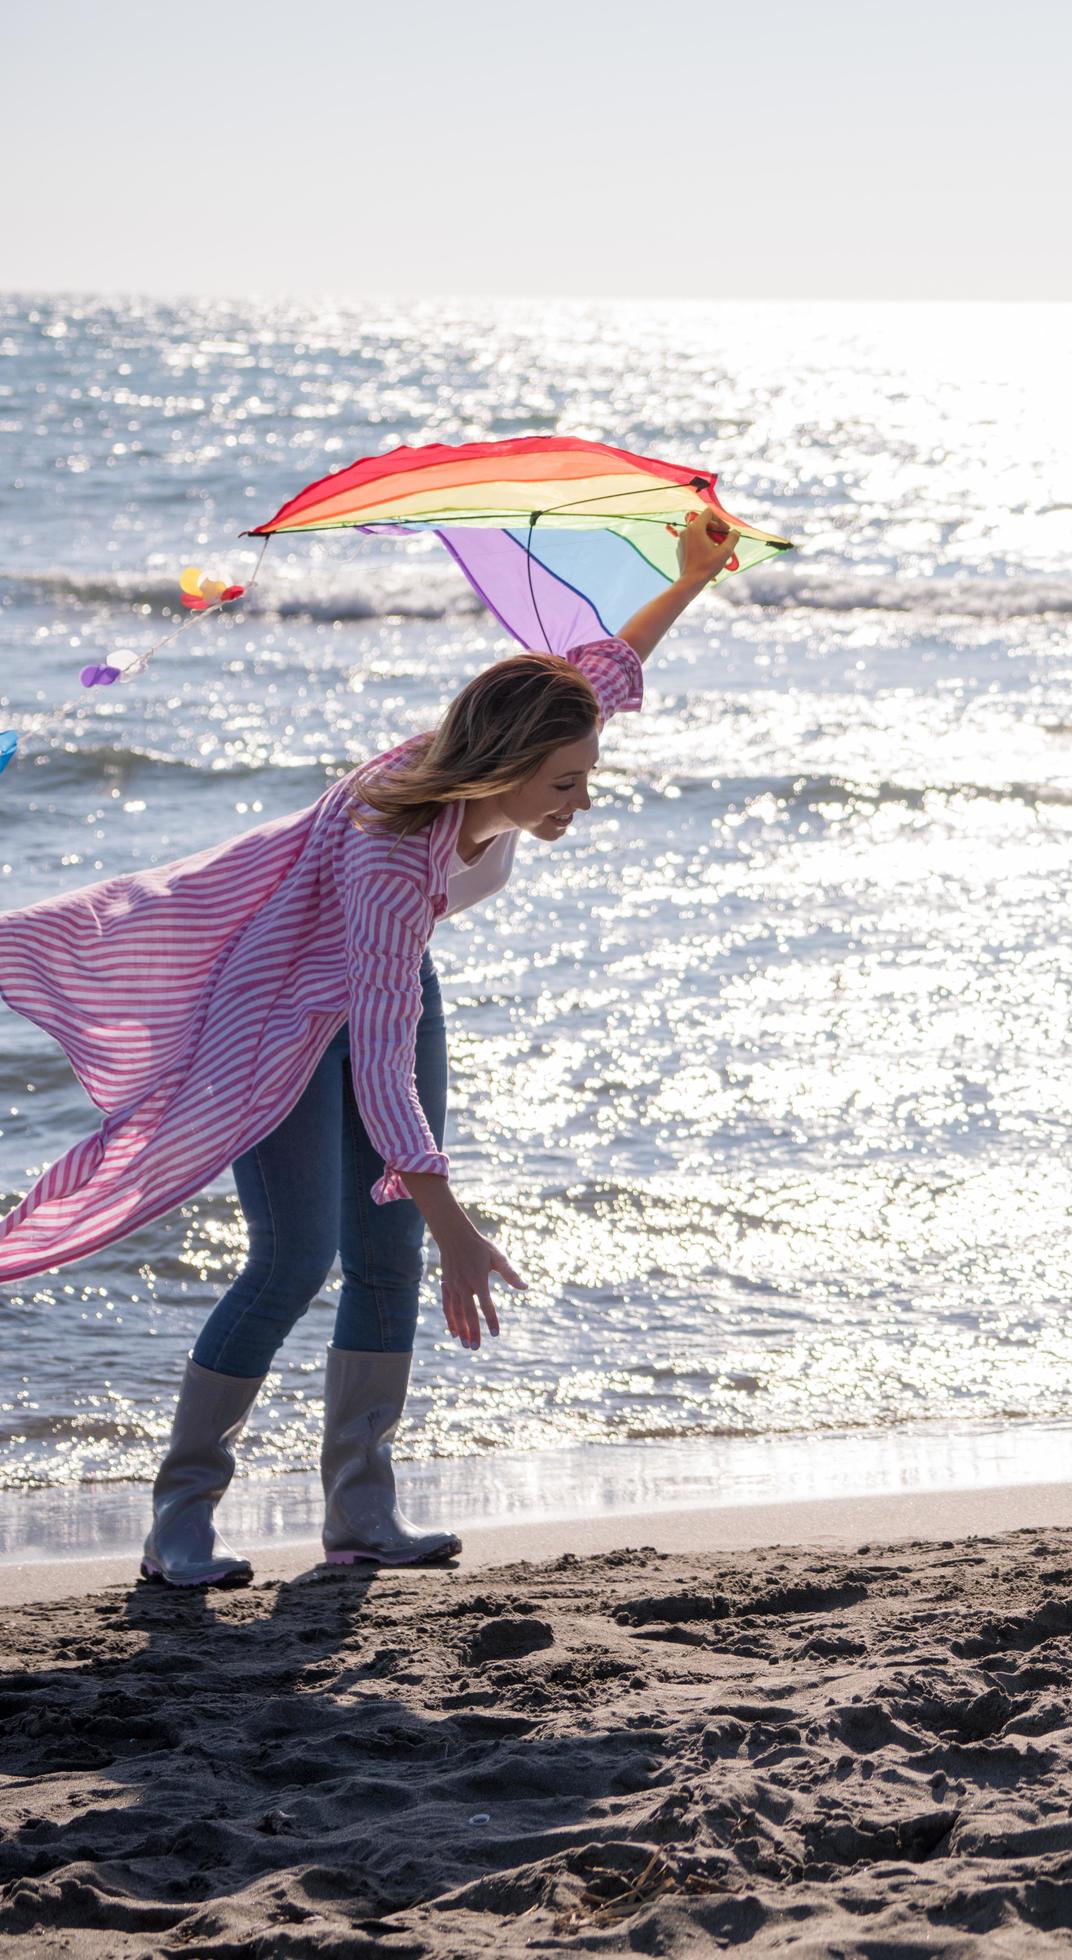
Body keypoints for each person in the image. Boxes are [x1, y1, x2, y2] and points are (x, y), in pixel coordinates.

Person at [0, 518, 742, 1587]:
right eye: (566, 783)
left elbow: (606, 672)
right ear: (508, 764)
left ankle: (361, 1513)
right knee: (294, 1258)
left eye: (585, 776)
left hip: (387, 988)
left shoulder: (514, 752)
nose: (579, 801)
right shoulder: (393, 858)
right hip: (277, 1017)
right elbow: (382, 1066)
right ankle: (180, 1519)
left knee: (381, 1259)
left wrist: (691, 578)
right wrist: (458, 1226)